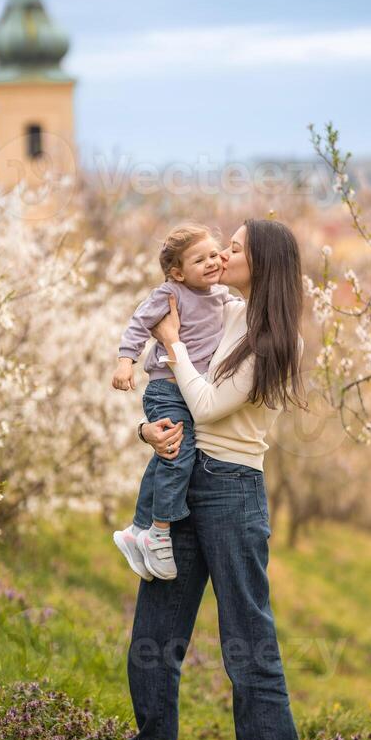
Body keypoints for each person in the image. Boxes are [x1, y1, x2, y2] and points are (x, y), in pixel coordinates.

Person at [118, 218, 306, 740]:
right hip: (184, 475)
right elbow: (174, 399)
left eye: (236, 248)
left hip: (232, 489)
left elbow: (204, 401)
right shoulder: (221, 309)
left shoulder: (277, 338)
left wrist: (169, 343)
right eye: (223, 246)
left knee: (246, 632)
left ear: (263, 262)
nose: (224, 254)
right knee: (154, 629)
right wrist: (149, 429)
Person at [111, 223, 239, 581]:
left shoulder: (222, 296)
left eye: (215, 254)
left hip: (191, 389)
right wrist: (126, 362)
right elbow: (138, 324)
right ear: (178, 272)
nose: (212, 262)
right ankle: (159, 534)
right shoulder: (171, 294)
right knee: (176, 457)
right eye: (200, 260)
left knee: (169, 456)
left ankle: (138, 528)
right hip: (167, 388)